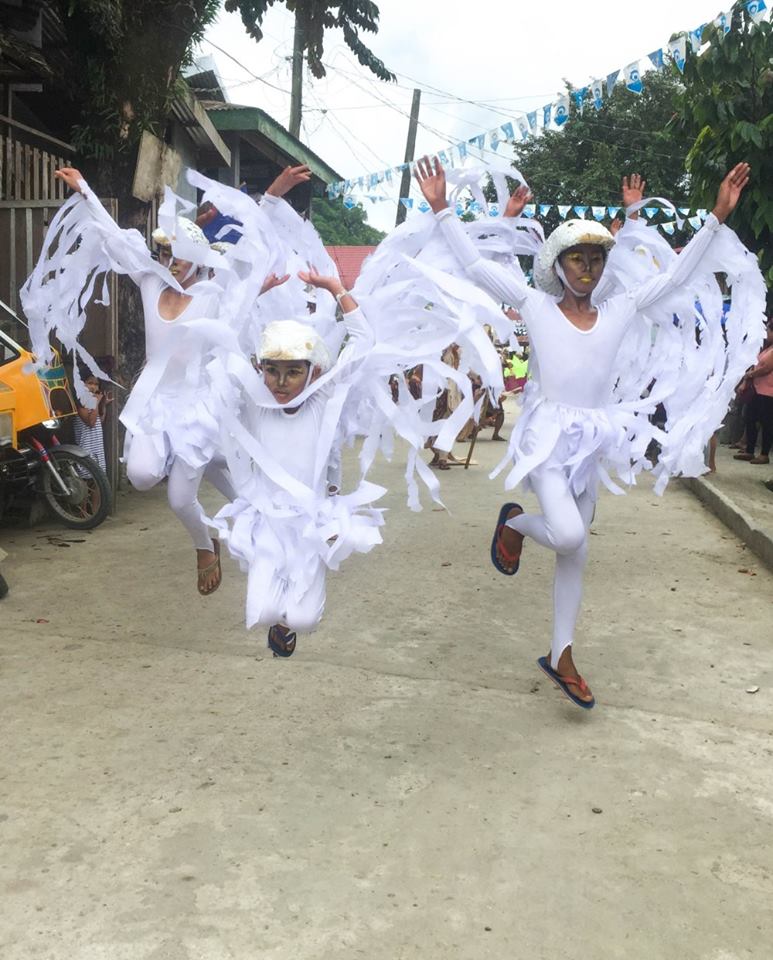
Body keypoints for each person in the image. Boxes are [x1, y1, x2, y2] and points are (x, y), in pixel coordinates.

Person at [415, 157, 764, 709]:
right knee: (569, 534)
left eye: (596, 259)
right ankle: (517, 522)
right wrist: (440, 210)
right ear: (558, 264)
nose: (587, 268)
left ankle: (562, 653)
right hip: (548, 440)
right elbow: (477, 264)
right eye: (576, 258)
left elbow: (675, 275)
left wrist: (717, 217)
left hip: (592, 441)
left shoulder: (621, 307)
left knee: (574, 554)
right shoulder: (536, 304)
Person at [23, 166, 297, 597]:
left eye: (180, 255)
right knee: (143, 474)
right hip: (155, 404)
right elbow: (114, 237)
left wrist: (274, 195)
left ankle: (205, 546)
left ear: (197, 256)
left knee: (177, 499)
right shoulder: (150, 281)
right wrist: (86, 190)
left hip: (197, 406)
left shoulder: (214, 290)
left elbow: (246, 245)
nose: (171, 263)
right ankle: (208, 463)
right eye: (166, 255)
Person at [733, 318, 773, 465]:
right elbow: (756, 364)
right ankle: (749, 449)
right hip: (757, 389)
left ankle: (764, 454)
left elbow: (767, 368)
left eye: (768, 330)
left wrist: (750, 375)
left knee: (766, 422)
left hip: (768, 391)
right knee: (750, 418)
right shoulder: (767, 348)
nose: (766, 333)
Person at [73, 372, 110, 473]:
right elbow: (91, 423)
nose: (93, 387)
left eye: (96, 384)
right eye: (90, 383)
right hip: (86, 450)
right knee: (88, 477)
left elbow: (99, 422)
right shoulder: (81, 403)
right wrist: (97, 402)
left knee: (99, 480)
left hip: (97, 448)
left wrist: (103, 405)